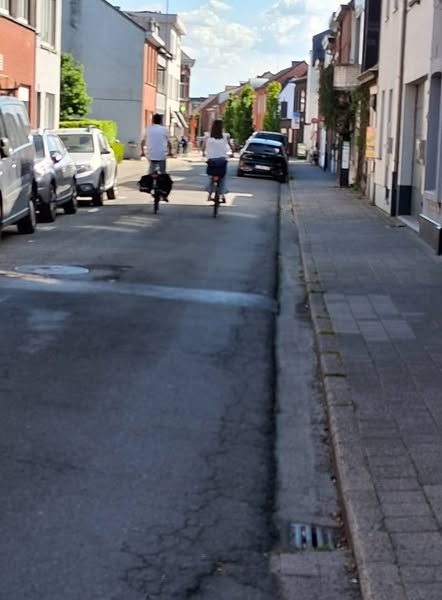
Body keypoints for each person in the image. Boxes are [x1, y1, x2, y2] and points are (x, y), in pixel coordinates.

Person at [202, 120, 234, 203]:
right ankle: (223, 194)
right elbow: (231, 146)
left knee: (210, 177)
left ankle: (209, 194)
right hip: (222, 160)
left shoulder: (208, 136)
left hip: (211, 160)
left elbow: (203, 146)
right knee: (223, 177)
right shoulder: (225, 136)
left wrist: (203, 153)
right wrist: (232, 153)